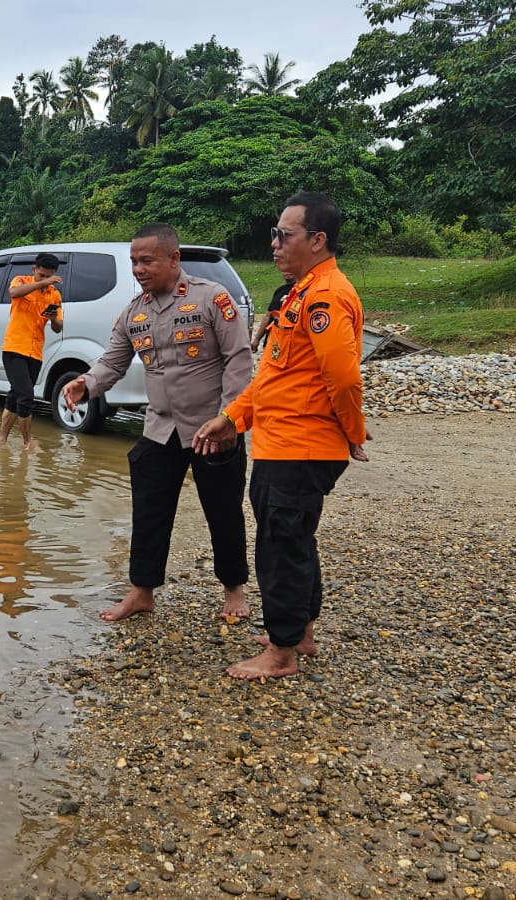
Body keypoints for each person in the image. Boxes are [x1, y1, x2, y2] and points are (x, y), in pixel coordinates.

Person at [193, 191, 370, 681]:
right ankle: (299, 632)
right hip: (281, 443)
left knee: (280, 546)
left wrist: (353, 433)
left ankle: (282, 654)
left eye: (283, 235)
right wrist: (231, 418)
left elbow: (344, 378)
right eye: (274, 233)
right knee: (293, 540)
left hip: (300, 447)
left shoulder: (326, 296)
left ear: (317, 240)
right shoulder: (300, 291)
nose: (273, 243)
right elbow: (274, 378)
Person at [61, 223, 254, 623]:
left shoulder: (212, 299)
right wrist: (86, 384)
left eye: (147, 260)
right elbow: (112, 362)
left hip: (211, 429)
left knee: (223, 512)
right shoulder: (135, 312)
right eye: (134, 261)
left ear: (173, 259)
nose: (138, 268)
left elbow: (238, 359)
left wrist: (230, 418)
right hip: (160, 428)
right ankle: (141, 591)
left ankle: (234, 590)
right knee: (149, 512)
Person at [0, 252, 64, 450]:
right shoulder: (21, 281)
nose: (44, 280)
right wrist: (41, 283)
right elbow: (14, 293)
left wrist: (53, 318)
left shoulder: (54, 295)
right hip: (14, 349)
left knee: (15, 395)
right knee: (26, 396)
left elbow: (58, 327)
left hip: (35, 353)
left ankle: (2, 439)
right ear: (34, 270)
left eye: (49, 276)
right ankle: (27, 442)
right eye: (41, 275)